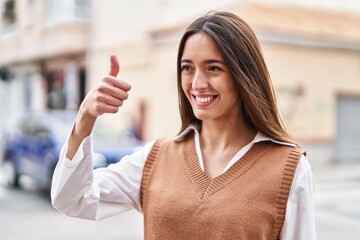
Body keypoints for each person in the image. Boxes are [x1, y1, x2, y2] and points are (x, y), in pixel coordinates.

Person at [51, 11, 316, 239]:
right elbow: (72, 199)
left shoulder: (289, 169)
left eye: (213, 68)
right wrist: (85, 117)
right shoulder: (155, 158)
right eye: (187, 68)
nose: (197, 83)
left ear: (243, 74)